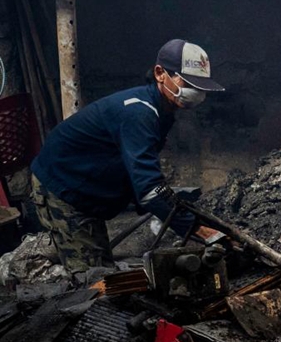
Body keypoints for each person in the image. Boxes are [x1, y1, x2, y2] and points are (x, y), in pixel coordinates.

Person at [30, 39, 224, 274]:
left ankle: (49, 245)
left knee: (97, 257)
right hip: (63, 187)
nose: (197, 93)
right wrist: (199, 231)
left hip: (85, 182)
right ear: (160, 73)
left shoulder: (161, 111)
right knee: (93, 280)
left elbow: (137, 170)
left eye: (201, 87)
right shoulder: (139, 112)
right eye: (189, 83)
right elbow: (150, 190)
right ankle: (20, 266)